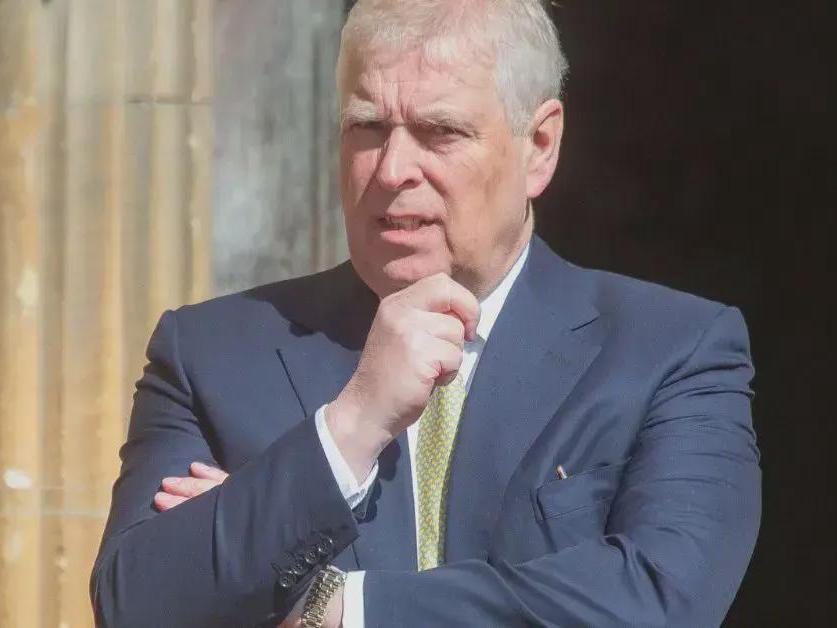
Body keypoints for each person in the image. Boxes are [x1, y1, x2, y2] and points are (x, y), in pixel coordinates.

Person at [90, 1, 761, 626]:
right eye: (367, 128)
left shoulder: (669, 351)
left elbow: (660, 598)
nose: (391, 170)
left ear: (539, 146)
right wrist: (350, 427)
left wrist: (335, 606)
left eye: (440, 132)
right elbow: (136, 602)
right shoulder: (212, 353)